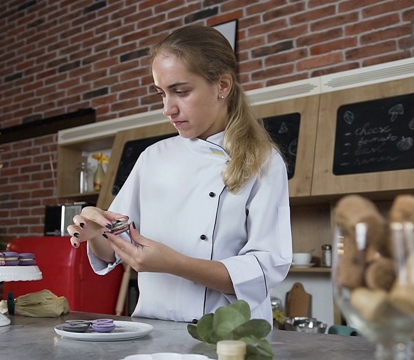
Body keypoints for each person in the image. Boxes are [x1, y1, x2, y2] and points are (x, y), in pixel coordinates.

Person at [67, 24, 292, 324]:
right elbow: (112, 250)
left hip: (230, 335)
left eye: (180, 92)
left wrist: (176, 264)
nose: (167, 109)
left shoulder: (263, 161)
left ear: (223, 86)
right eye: (161, 93)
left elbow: (265, 268)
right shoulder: (153, 158)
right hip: (153, 332)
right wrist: (94, 232)